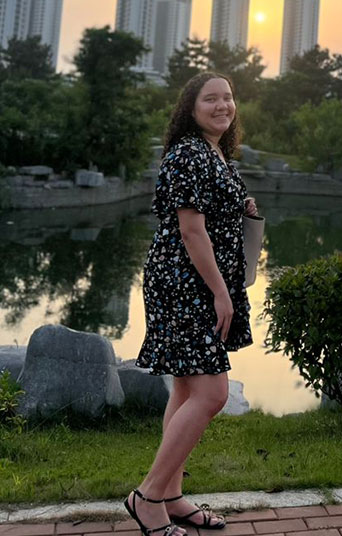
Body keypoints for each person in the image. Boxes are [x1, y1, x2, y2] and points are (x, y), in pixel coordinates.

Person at [124, 72, 257, 536]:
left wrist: (242, 207)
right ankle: (148, 497)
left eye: (228, 97)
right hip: (185, 283)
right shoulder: (187, 153)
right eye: (211, 98)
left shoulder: (216, 153)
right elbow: (190, 229)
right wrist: (222, 292)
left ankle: (173, 495)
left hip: (200, 280)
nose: (222, 105)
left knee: (184, 389)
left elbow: (212, 216)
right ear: (191, 106)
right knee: (212, 393)